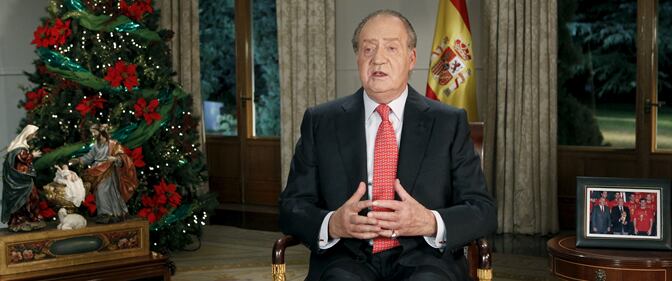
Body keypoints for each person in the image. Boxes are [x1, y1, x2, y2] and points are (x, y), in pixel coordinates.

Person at [279, 9, 496, 281]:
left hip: (426, 258)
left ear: (411, 58)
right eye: (368, 49)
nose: (378, 59)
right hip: (346, 259)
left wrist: (429, 222)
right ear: (358, 58)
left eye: (391, 48)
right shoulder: (321, 121)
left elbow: (482, 210)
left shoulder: (448, 123)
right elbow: (291, 206)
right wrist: (332, 223)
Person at [69, 124, 137, 224]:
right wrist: (78, 160)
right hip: (97, 169)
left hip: (108, 169)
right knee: (98, 192)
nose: (93, 134)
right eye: (92, 132)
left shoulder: (113, 144)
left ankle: (109, 213)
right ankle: (104, 213)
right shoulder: (96, 145)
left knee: (104, 190)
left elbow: (122, 156)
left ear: (101, 132)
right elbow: (89, 157)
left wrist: (115, 159)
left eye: (94, 132)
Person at [1, 125, 46, 232]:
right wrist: (32, 155)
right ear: (28, 134)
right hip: (19, 179)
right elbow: (20, 157)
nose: (34, 136)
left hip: (24, 177)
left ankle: (30, 217)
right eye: (34, 134)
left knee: (32, 197)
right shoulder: (19, 147)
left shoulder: (21, 145)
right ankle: (21, 220)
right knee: (25, 198)